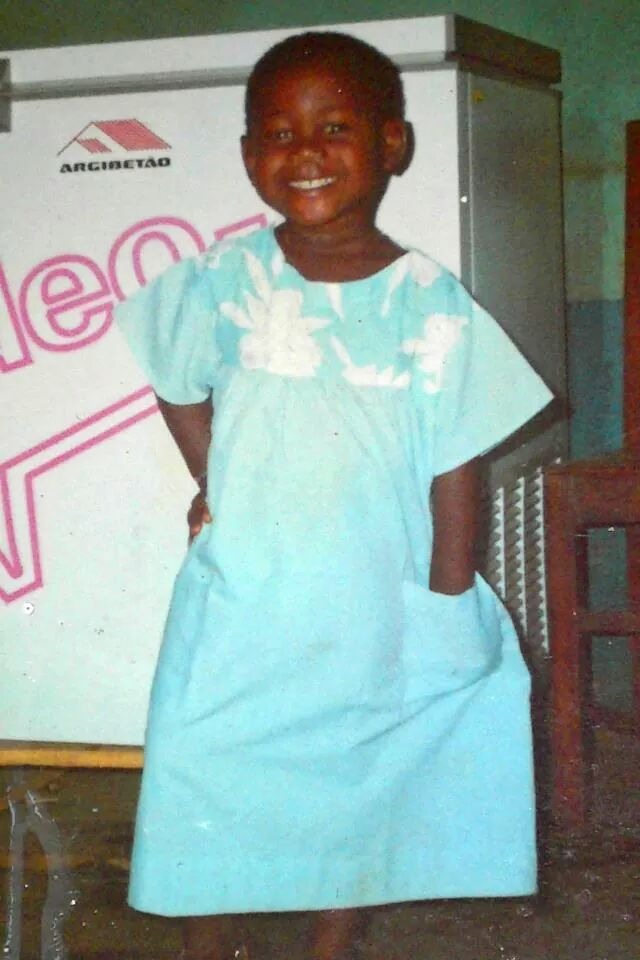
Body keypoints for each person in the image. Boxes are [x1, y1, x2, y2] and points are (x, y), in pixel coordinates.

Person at [116, 30, 553, 960]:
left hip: (373, 594)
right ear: (249, 157)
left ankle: (332, 940)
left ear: (392, 144)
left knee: (360, 773)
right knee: (207, 760)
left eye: (335, 128)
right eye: (278, 133)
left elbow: (458, 458)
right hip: (245, 591)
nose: (305, 151)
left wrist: (447, 599)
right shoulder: (224, 279)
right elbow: (175, 376)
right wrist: (213, 479)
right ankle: (207, 939)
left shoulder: (430, 301)